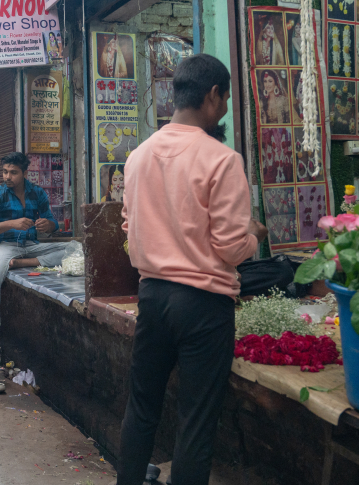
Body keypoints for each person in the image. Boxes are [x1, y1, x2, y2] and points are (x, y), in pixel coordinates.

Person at [117, 54, 267, 485]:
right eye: (225, 99)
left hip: (152, 297)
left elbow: (130, 228)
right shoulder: (222, 159)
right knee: (196, 422)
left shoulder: (138, 156)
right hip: (203, 305)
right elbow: (231, 246)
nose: (224, 108)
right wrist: (254, 234)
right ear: (212, 95)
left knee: (141, 408)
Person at [0, 152, 64, 364]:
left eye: (13, 173)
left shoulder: (38, 193)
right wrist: (12, 224)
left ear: (25, 173)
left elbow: (53, 222)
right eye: (5, 172)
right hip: (5, 246)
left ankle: (22, 264)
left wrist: (48, 225)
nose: (7, 176)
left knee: (75, 249)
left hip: (31, 246)